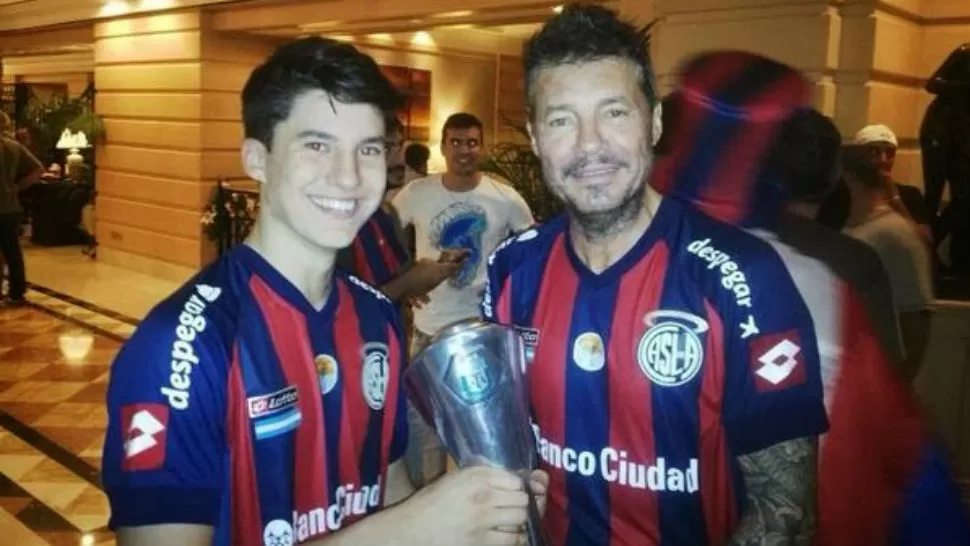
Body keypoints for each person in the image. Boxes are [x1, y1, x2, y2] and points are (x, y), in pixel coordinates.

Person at [102, 37, 546, 546]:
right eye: (317, 145)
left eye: (370, 149)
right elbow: (396, 527)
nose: (349, 177)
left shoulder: (376, 315)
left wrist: (468, 517)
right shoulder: (177, 348)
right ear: (257, 158)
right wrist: (409, 528)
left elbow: (387, 489)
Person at [483, 5, 827, 545]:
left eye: (614, 112)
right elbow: (503, 461)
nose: (589, 143)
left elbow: (783, 513)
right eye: (560, 119)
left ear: (656, 121)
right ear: (533, 135)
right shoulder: (511, 270)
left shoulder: (743, 277)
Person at [392, 112, 534, 485]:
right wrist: (405, 281)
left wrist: (510, 296)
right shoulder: (418, 193)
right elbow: (384, 237)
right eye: (455, 142)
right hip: (427, 334)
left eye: (472, 142)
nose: (464, 150)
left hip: (482, 334)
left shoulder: (503, 197)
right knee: (424, 446)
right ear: (443, 146)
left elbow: (533, 249)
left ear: (482, 146)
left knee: (486, 444)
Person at [336, 119, 460, 304]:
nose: (400, 160)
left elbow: (398, 280)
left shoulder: (388, 214)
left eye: (400, 146)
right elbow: (342, 309)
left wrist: (431, 271)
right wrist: (407, 284)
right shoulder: (336, 223)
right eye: (386, 148)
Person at [841, 145, 935, 368]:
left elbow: (915, 319)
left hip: (876, 374)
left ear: (850, 179)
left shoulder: (893, 234)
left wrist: (896, 383)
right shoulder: (853, 228)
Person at [853, 124, 933, 237]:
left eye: (889, 153)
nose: (883, 160)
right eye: (874, 152)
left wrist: (895, 199)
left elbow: (925, 242)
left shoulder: (910, 195)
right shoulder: (846, 194)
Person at [0, 111, 42, 305]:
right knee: (13, 251)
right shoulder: (14, 146)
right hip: (10, 206)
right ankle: (17, 293)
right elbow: (38, 168)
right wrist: (17, 187)